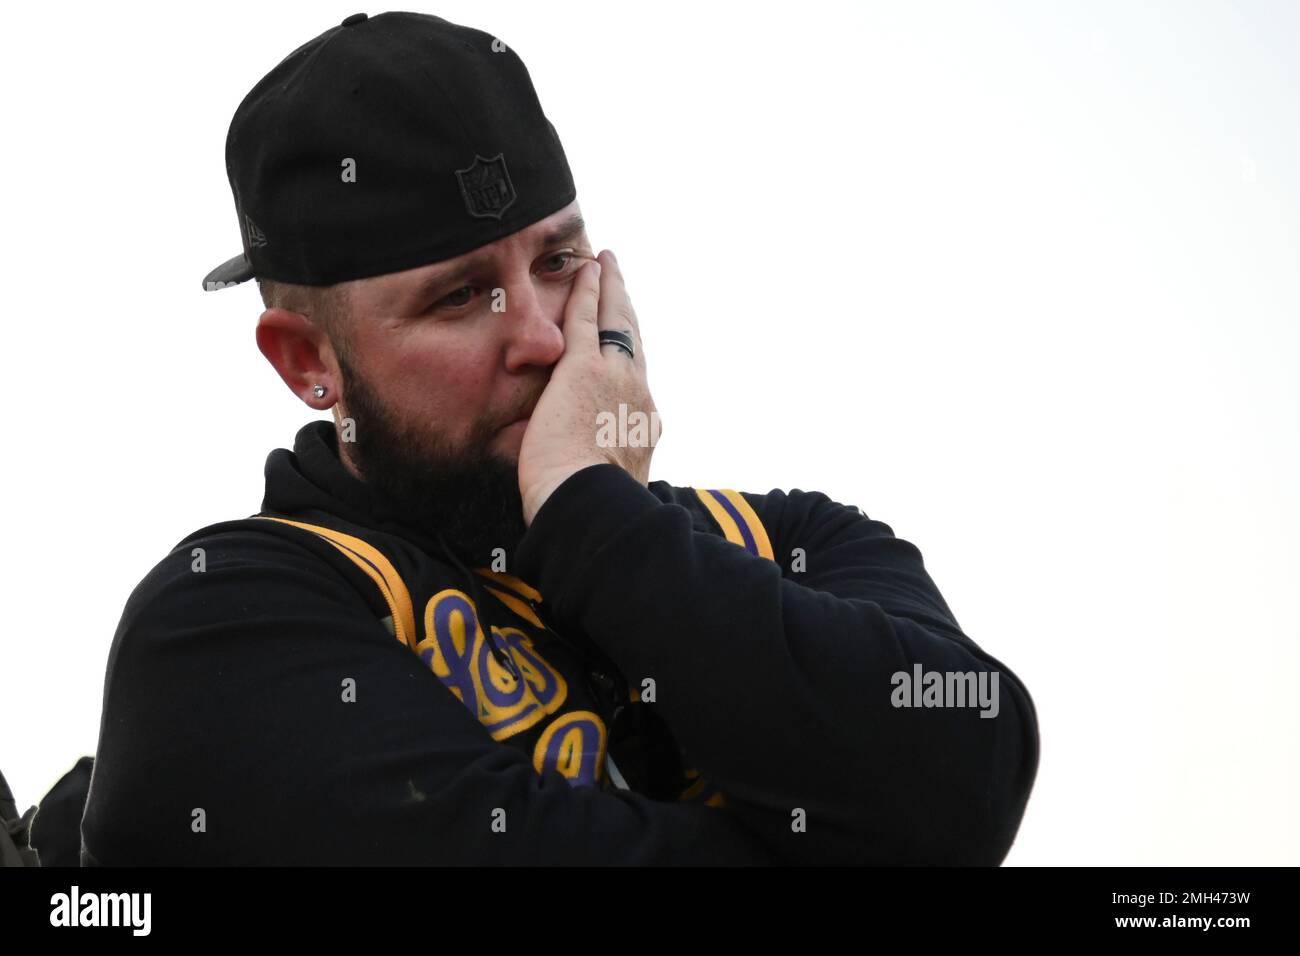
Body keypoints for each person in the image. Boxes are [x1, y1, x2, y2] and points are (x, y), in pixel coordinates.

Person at [80, 11, 1039, 866]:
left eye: (558, 261)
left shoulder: (798, 542)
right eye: (458, 297)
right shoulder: (221, 622)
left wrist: (595, 515)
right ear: (305, 362)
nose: (542, 334)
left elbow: (971, 774)